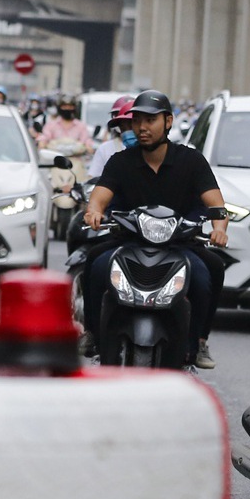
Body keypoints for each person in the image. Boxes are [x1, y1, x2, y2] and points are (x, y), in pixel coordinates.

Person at [81, 90, 228, 368]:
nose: (142, 127)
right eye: (137, 120)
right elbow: (99, 197)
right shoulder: (120, 161)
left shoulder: (191, 161)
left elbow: (216, 205)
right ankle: (93, 333)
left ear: (169, 121)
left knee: (210, 270)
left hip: (181, 244)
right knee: (95, 263)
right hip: (127, 241)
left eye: (150, 120)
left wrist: (219, 228)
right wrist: (94, 212)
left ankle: (198, 342)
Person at [87, 95, 136, 182]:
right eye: (123, 124)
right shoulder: (105, 149)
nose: (127, 128)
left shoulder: (149, 149)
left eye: (130, 122)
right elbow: (93, 180)